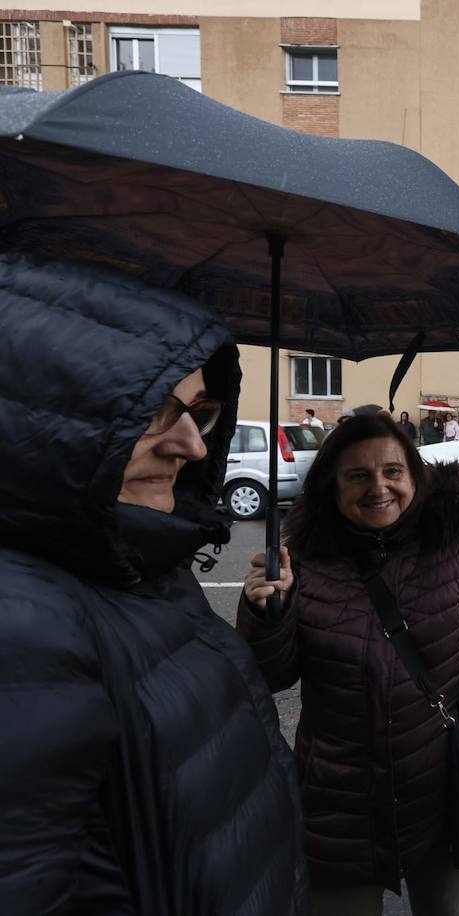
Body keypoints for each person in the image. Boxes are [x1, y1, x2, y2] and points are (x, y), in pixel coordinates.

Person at [0, 254, 308, 914]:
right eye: (151, 413)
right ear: (52, 424)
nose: (192, 446)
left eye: (199, 411)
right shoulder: (23, 626)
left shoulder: (139, 558)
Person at [237, 414, 459, 915]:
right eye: (358, 475)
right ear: (331, 485)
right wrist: (269, 611)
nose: (379, 487)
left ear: (414, 475)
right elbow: (272, 675)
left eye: (392, 472)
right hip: (339, 794)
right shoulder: (301, 559)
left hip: (442, 781)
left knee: (450, 907)